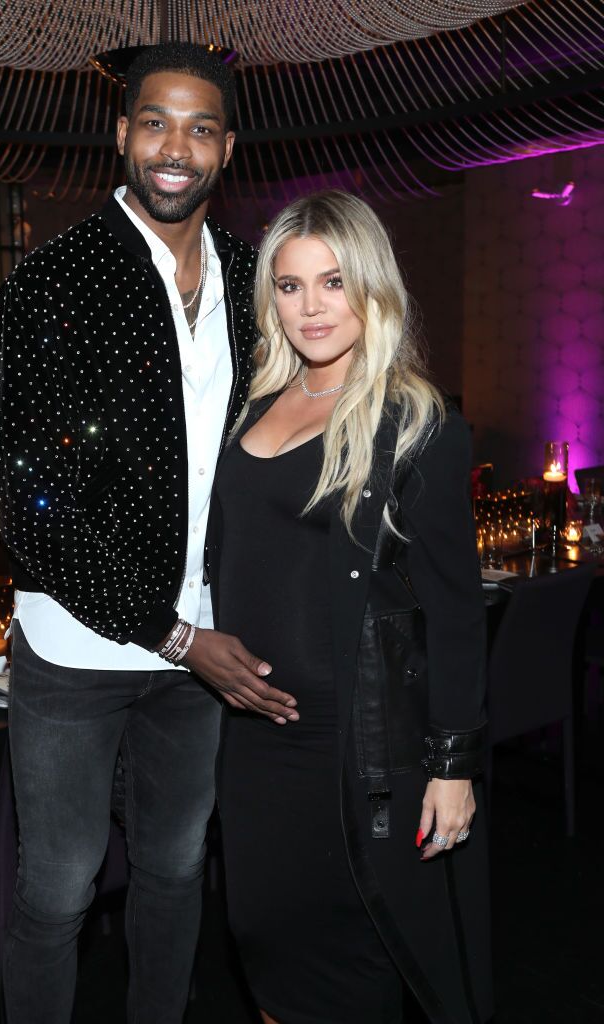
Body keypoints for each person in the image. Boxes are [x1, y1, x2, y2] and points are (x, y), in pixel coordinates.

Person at [0, 42, 297, 1024]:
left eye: (200, 127)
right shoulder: (53, 283)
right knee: (60, 888)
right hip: (76, 650)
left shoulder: (255, 284)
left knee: (172, 870)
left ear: (227, 148)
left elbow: (286, 448)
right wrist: (175, 636)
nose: (176, 146)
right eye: (154, 121)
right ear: (120, 134)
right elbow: (33, 513)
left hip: (209, 646)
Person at [208, 190, 492, 1024]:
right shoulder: (251, 410)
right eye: (290, 287)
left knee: (354, 972)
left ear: (372, 287)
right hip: (253, 748)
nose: (311, 307)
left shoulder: (417, 424)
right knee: (263, 948)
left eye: (333, 282)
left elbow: (456, 613)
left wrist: (452, 765)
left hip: (356, 754)